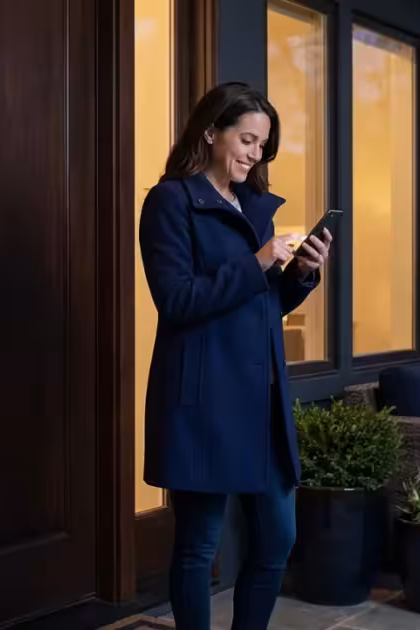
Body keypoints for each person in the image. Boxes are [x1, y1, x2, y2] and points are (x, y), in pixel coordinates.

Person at [139, 81, 331, 629]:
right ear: (211, 132)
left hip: (262, 401)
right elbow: (176, 301)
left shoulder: (252, 207)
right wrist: (258, 259)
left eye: (263, 146)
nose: (255, 154)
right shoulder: (169, 201)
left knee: (277, 538)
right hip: (205, 400)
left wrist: (301, 273)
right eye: (246, 140)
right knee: (200, 547)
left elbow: (262, 302)